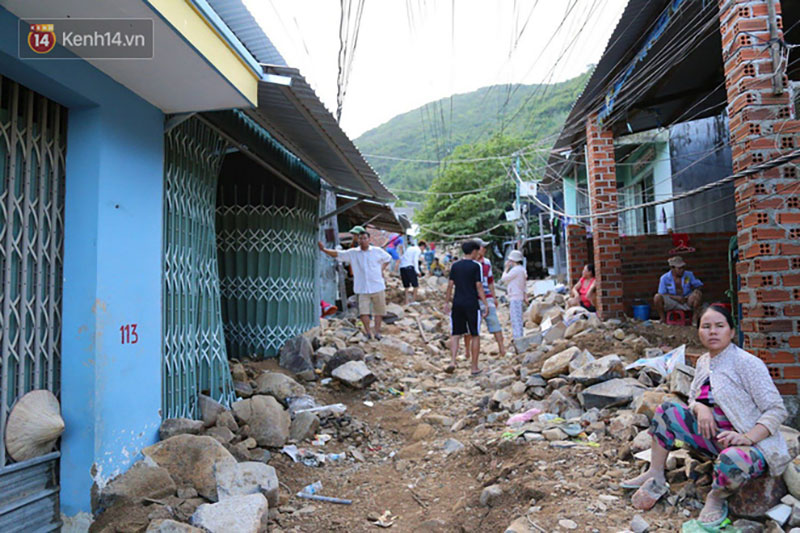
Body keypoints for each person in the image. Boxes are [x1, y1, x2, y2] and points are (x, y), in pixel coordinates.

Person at [622, 304, 790, 528]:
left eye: (719, 326)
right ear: (698, 331)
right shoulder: (703, 362)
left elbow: (777, 410)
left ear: (731, 331)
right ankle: (656, 474)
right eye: (706, 326)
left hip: (752, 448)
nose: (713, 331)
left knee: (732, 459)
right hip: (714, 439)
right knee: (666, 410)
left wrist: (748, 437)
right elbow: (692, 398)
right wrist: (701, 408)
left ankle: (716, 497)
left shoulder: (747, 364)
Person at [318, 226, 392, 340]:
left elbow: (388, 259)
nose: (363, 240)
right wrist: (324, 250)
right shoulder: (353, 253)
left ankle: (377, 332)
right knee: (363, 312)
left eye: (365, 238)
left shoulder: (377, 251)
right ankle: (368, 333)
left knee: (379, 311)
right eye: (361, 238)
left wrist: (381, 270)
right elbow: (338, 254)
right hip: (362, 288)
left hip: (377, 286)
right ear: (358, 240)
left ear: (369, 239)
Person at [443, 240, 489, 375]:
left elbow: (450, 285)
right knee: (475, 334)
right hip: (471, 303)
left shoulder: (455, 266)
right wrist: (485, 304)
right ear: (474, 251)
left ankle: (452, 361)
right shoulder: (476, 266)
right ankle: (474, 367)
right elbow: (479, 286)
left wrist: (446, 302)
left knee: (456, 333)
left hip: (457, 302)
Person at [473, 239, 507, 358]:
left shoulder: (486, 262)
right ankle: (469, 353)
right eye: (483, 247)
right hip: (473, 298)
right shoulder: (470, 263)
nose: (485, 249)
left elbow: (491, 281)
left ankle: (502, 349)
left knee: (494, 322)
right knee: (472, 328)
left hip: (487, 296)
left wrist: (494, 297)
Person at [654, 256, 703, 323]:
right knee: (657, 297)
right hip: (672, 301)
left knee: (698, 294)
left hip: (686, 300)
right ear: (672, 268)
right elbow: (662, 293)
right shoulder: (664, 278)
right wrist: (676, 298)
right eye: (679, 268)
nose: (682, 270)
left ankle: (695, 319)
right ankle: (662, 318)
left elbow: (699, 285)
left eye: (683, 268)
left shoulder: (688, 274)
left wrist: (694, 292)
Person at [501, 250, 528, 339]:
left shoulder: (516, 270)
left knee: (515, 319)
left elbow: (504, 278)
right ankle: (519, 336)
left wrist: (505, 269)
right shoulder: (522, 269)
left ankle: (518, 338)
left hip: (515, 296)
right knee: (518, 318)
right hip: (518, 296)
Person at [399, 239, 423, 304]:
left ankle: (406, 301)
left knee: (406, 286)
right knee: (415, 285)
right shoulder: (418, 250)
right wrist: (417, 271)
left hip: (402, 267)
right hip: (409, 267)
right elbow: (415, 260)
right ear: (422, 246)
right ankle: (413, 301)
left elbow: (403, 257)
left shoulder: (409, 248)